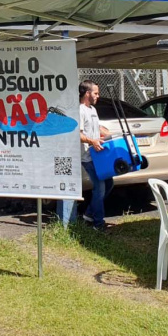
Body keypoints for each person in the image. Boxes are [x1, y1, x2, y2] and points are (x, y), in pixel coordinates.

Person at [58, 80, 113, 230]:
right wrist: (92, 141)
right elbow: (78, 133)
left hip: (97, 155)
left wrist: (110, 135)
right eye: (95, 93)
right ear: (87, 93)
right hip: (86, 156)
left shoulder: (92, 110)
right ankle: (98, 223)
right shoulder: (80, 110)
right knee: (100, 186)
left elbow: (96, 127)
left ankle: (89, 214)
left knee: (109, 183)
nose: (98, 96)